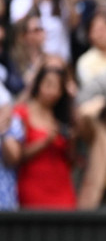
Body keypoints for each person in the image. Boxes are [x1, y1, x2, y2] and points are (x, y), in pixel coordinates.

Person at [12, 66, 77, 210]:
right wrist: (45, 142)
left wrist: (72, 141)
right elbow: (16, 156)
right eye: (48, 85)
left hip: (62, 187)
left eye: (58, 87)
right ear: (38, 84)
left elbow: (71, 161)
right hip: (32, 186)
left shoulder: (63, 118)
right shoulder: (21, 113)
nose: (52, 91)